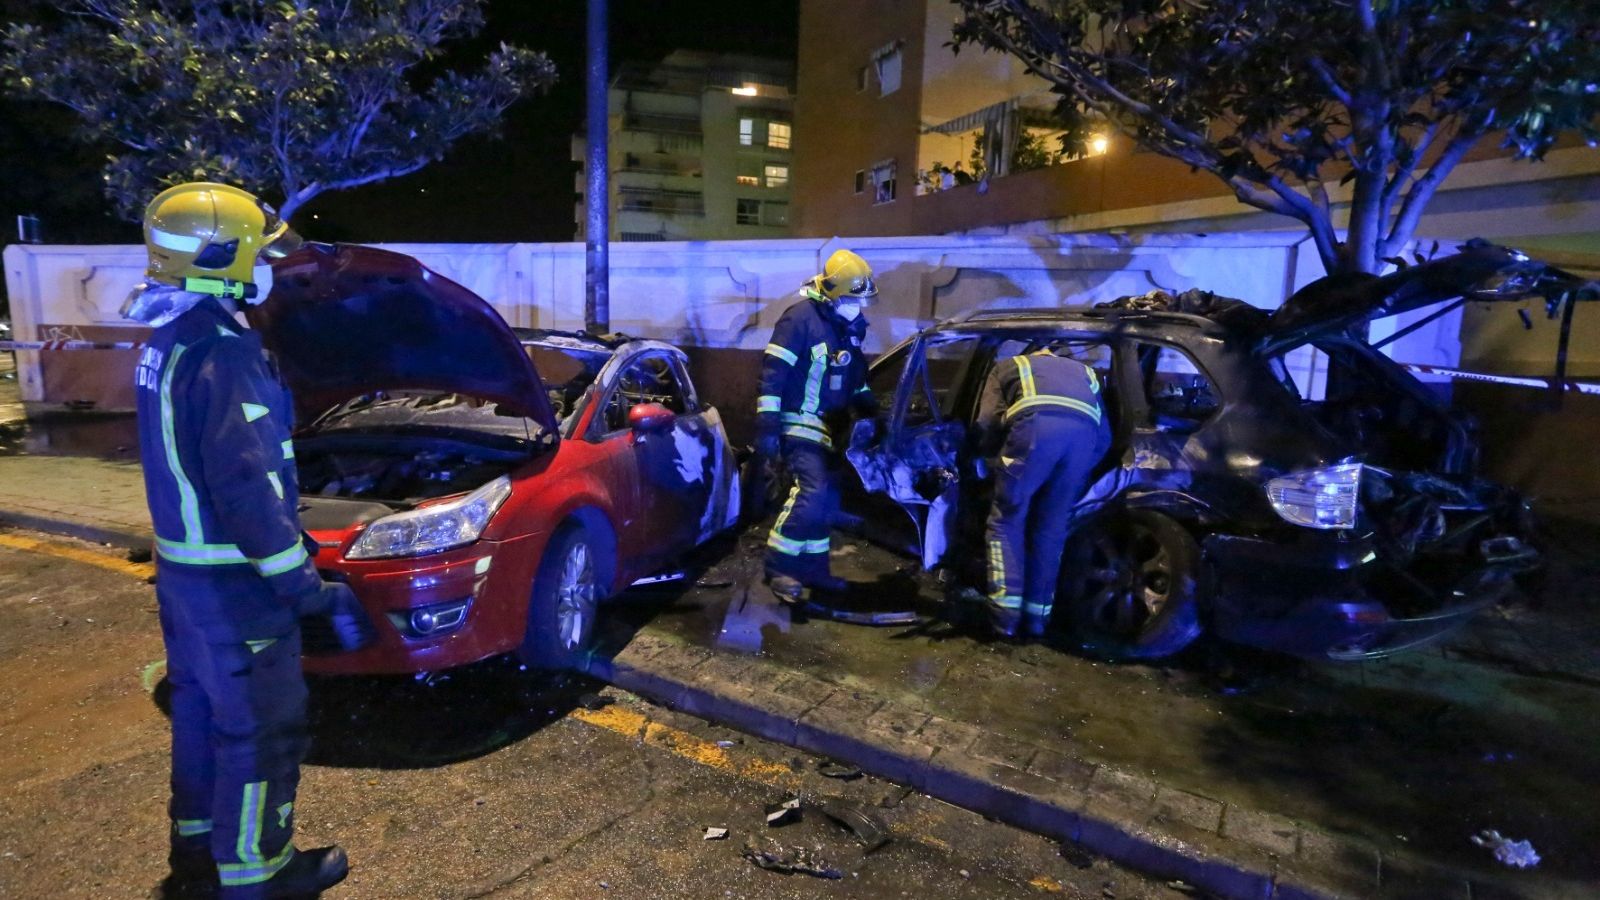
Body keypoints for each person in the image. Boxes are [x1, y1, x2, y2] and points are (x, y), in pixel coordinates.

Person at [123, 182, 374, 898]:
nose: (268, 266)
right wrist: (306, 589)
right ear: (222, 254)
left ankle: (198, 858)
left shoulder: (170, 338)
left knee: (202, 720)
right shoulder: (226, 352)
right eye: (260, 251)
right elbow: (247, 492)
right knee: (263, 734)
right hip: (237, 588)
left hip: (185, 580)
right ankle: (261, 873)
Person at [754, 248, 879, 601]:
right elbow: (773, 376)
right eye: (853, 299)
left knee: (828, 497)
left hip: (830, 427)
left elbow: (856, 375)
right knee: (814, 490)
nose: (860, 307)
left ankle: (812, 567)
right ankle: (779, 566)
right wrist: (767, 428)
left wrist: (867, 406)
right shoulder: (799, 320)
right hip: (797, 420)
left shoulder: (848, 326)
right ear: (832, 292)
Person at [980, 346, 1112, 639]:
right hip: (1081, 448)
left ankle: (1005, 620)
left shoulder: (1009, 365)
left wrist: (989, 458)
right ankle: (1037, 620)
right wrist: (1077, 474)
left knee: (1006, 521)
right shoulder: (1087, 373)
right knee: (1051, 530)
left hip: (1035, 436)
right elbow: (1105, 438)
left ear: (1034, 354)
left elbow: (986, 422)